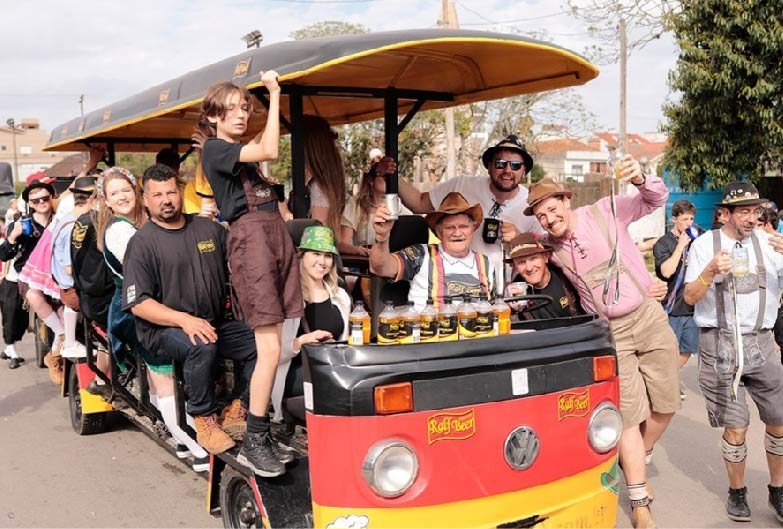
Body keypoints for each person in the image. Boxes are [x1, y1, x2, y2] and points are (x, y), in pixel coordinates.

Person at [526, 161, 679, 529]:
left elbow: (656, 198)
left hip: (647, 316)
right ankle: (640, 503)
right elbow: (523, 252)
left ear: (566, 200)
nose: (548, 218)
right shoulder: (549, 245)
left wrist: (640, 177)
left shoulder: (605, 210)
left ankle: (634, 458)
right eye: (541, 215)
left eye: (552, 208)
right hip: (610, 332)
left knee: (666, 406)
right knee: (628, 416)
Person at [195, 70, 302, 477]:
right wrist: (274, 94)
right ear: (214, 118)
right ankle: (255, 440)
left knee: (280, 343)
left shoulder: (240, 152)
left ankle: (262, 429)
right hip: (252, 240)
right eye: (231, 110)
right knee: (269, 349)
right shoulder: (215, 149)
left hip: (273, 234)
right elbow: (271, 147)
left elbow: (263, 148)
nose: (240, 115)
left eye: (244, 108)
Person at [124, 165, 261, 463]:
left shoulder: (208, 229)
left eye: (171, 191)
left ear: (180, 192)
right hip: (164, 330)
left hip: (213, 322)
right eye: (157, 194)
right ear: (145, 200)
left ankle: (238, 406)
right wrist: (183, 320)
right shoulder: (142, 243)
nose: (166, 199)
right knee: (201, 343)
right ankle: (204, 420)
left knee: (261, 342)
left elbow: (242, 260)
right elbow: (139, 303)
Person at [683, 181, 783, 523]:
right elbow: (689, 298)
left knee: (779, 421)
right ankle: (737, 491)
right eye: (744, 211)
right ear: (725, 213)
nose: (752, 218)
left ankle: (778, 489)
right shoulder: (704, 246)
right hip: (721, 344)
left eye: (755, 211)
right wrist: (710, 271)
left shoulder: (771, 244)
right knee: (736, 428)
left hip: (763, 342)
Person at [396, 134, 543, 271]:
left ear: (524, 172)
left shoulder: (532, 204)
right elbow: (419, 203)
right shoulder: (462, 185)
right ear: (489, 166)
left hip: (507, 290)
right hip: (459, 281)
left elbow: (544, 253)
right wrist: (392, 176)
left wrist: (519, 239)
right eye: (500, 163)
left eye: (516, 165)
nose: (507, 170)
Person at [272, 225, 350, 423]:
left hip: (332, 367)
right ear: (302, 256)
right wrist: (302, 341)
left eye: (328, 256)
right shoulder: (287, 296)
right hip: (293, 371)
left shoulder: (340, 295)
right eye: (316, 254)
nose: (322, 262)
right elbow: (272, 355)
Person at [370, 191, 494, 310]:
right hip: (428, 329)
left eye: (463, 227)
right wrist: (382, 236)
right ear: (439, 232)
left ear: (473, 229)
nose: (457, 233)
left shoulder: (485, 263)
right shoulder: (420, 254)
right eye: (450, 227)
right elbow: (380, 267)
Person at [0, 179, 57, 375]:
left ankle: (62, 343)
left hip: (57, 275)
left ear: (52, 198)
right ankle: (12, 349)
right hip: (28, 277)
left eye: (45, 198)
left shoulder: (61, 219)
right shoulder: (21, 224)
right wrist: (12, 237)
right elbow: (4, 254)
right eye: (36, 200)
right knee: (13, 311)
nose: (41, 203)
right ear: (29, 204)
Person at [653, 199, 700, 400]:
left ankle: (668, 379)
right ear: (675, 219)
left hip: (692, 305)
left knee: (687, 350)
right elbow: (667, 271)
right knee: (668, 350)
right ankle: (663, 382)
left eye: (691, 219)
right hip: (672, 306)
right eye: (684, 219)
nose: (689, 223)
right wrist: (680, 246)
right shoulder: (664, 243)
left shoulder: (697, 237)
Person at [52, 175, 97, 359]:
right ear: (93, 199)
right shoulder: (74, 226)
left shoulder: (66, 219)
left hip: (67, 285)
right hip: (72, 288)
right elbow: (69, 268)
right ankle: (70, 343)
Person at [504, 232, 583, 320]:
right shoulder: (516, 293)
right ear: (514, 266)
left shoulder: (567, 277)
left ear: (546, 257)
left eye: (533, 258)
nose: (529, 268)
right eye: (521, 262)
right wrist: (512, 311)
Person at [340, 160, 411, 256]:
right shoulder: (356, 204)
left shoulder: (395, 204)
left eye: (391, 178)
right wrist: (359, 250)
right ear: (370, 180)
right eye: (384, 177)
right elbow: (342, 244)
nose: (389, 180)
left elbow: (410, 228)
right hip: (363, 262)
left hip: (390, 260)